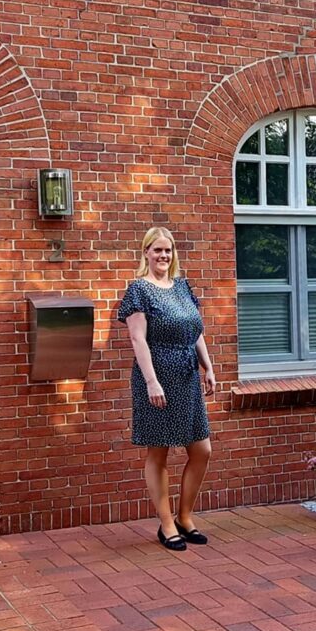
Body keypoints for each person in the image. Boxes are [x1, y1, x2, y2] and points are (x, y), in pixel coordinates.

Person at [118, 227, 216, 551]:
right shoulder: (139, 291)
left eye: (168, 251)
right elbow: (137, 339)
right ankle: (166, 524)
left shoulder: (182, 287)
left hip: (187, 378)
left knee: (201, 450)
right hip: (157, 378)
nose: (163, 256)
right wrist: (151, 380)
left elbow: (195, 330)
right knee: (158, 452)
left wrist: (209, 367)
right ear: (145, 252)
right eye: (157, 250)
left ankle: (185, 516)